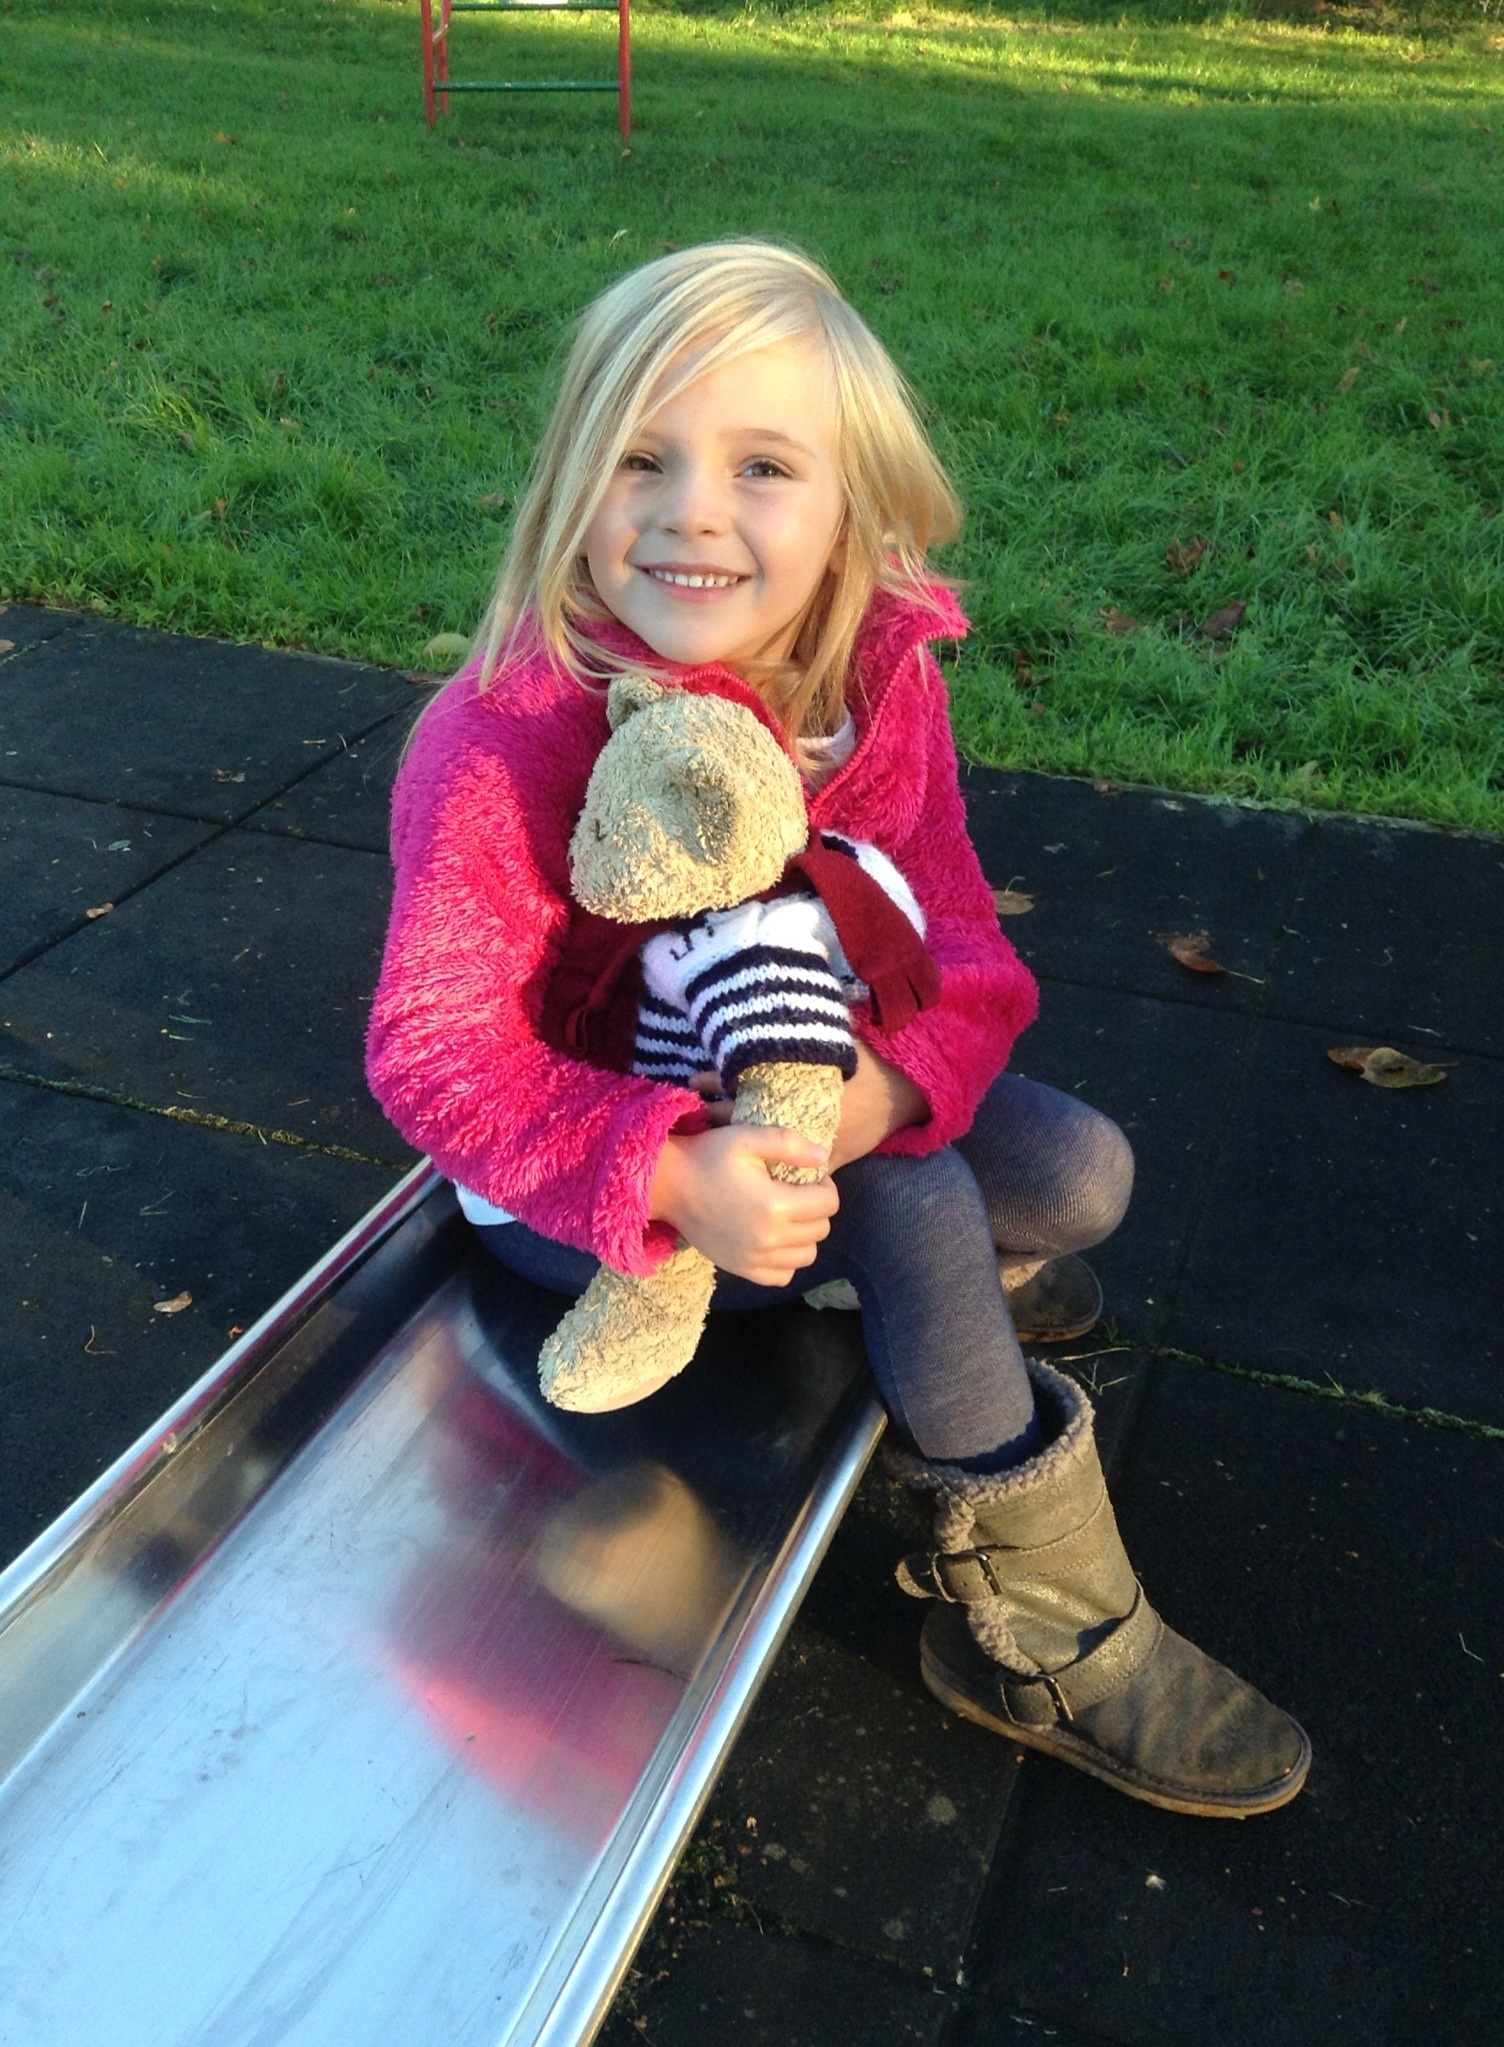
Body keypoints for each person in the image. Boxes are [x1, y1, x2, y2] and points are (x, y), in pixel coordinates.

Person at [367, 240, 1310, 1818]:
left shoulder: (874, 691)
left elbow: (963, 951)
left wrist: (892, 1083)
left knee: (1083, 1175)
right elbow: (436, 1050)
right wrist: (674, 1173)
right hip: (583, 1197)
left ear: (853, 511)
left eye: (762, 467)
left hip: (812, 1086)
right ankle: (1044, 1635)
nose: (692, 512)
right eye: (642, 460)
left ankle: (890, 1288)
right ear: (571, 483)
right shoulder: (501, 737)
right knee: (921, 1207)